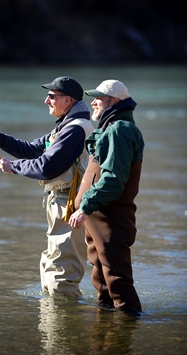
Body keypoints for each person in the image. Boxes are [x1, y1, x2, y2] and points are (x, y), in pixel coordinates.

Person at [0, 76, 94, 298]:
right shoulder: (65, 126)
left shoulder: (75, 129)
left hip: (69, 205)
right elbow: (32, 150)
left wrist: (13, 167)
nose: (46, 100)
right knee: (50, 270)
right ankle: (54, 328)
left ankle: (65, 328)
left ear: (67, 100)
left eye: (52, 96)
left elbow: (47, 167)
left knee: (60, 279)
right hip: (61, 204)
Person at [69, 79, 144, 314]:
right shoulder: (110, 128)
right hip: (99, 218)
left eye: (99, 97)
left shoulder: (120, 130)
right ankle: (104, 334)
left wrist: (85, 207)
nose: (94, 101)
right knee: (101, 280)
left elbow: (112, 180)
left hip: (110, 218)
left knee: (117, 281)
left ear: (115, 101)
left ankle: (126, 331)